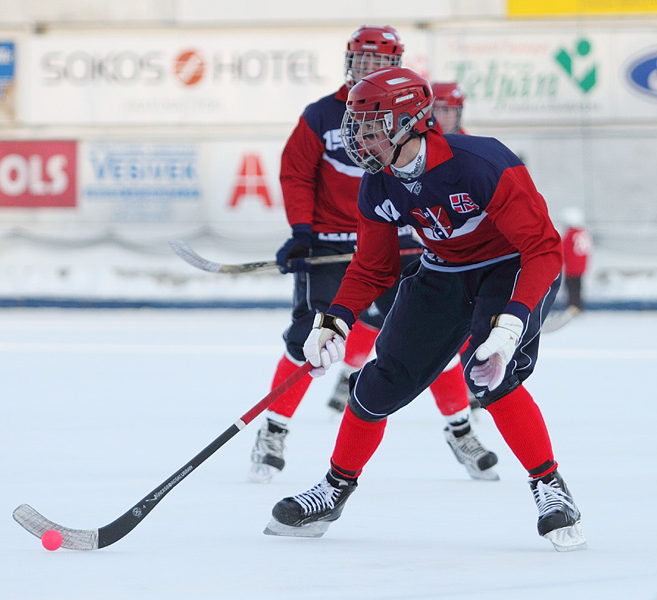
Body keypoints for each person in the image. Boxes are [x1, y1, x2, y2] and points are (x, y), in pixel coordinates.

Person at [263, 67, 587, 552]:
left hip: (511, 267)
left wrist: (514, 317)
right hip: (444, 271)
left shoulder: (481, 162)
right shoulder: (379, 183)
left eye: (370, 127)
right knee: (375, 385)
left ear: (409, 121)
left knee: (488, 372)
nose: (360, 139)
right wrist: (334, 319)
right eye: (357, 127)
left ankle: (549, 485)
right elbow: (373, 267)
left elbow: (543, 248)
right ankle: (333, 491)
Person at [249, 25, 498, 484]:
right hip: (332, 243)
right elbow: (296, 174)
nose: (366, 69)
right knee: (309, 338)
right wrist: (302, 231)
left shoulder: (407, 116)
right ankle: (273, 429)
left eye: (377, 61)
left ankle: (460, 429)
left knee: (433, 333)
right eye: (359, 59)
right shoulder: (320, 115)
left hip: (392, 239)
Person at [560, 207, 592, 314]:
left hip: (571, 267)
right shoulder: (583, 233)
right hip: (581, 267)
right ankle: (578, 306)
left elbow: (564, 250)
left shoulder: (570, 235)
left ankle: (573, 308)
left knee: (571, 288)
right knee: (578, 288)